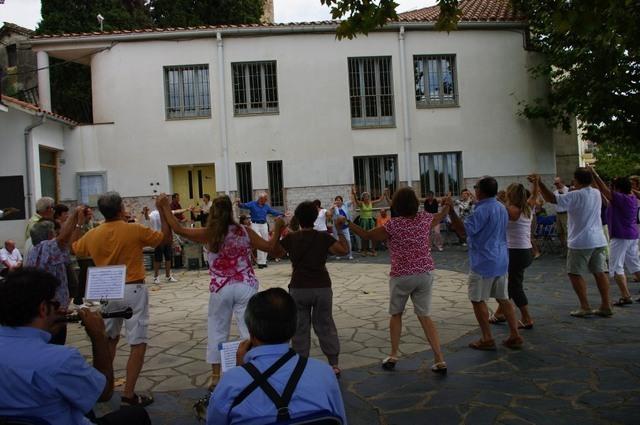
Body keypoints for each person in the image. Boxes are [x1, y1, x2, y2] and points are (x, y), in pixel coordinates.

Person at [157, 194, 284, 399]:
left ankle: (216, 376)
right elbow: (270, 248)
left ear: (213, 212)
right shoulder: (244, 231)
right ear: (231, 212)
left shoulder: (209, 233)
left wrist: (164, 207)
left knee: (217, 329)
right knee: (249, 330)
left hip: (221, 287)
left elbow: (179, 229)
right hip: (246, 284)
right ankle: (254, 370)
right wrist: (277, 229)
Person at [0, 268, 151, 425]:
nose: (63, 309)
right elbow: (104, 393)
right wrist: (99, 338)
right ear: (43, 309)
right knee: (135, 415)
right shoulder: (61, 360)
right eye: (56, 303)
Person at [72, 191, 172, 407]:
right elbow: (163, 239)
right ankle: (128, 393)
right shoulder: (133, 230)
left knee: (108, 340)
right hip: (133, 287)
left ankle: (103, 387)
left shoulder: (93, 234)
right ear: (121, 209)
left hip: (107, 289)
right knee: (137, 342)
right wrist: (164, 211)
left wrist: (79, 222)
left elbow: (76, 248)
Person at [207, 288, 346, 425]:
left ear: (250, 331)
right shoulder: (325, 374)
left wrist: (241, 370)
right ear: (294, 328)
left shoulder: (230, 382)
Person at [349, 187, 449, 372]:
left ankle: (394, 354)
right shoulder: (425, 219)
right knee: (425, 316)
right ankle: (439, 358)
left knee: (396, 315)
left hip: (401, 275)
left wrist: (347, 223)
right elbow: (439, 217)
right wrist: (446, 207)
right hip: (425, 273)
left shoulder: (393, 225)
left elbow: (367, 235)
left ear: (396, 204)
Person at [272, 201, 349, 376]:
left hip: (299, 287)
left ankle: (301, 364)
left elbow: (275, 252)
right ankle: (334, 363)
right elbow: (344, 250)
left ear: (298, 218)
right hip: (322, 286)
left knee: (300, 328)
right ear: (315, 218)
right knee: (325, 324)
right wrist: (340, 229)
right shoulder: (323, 237)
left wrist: (277, 230)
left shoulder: (291, 238)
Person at [447, 177, 523, 350]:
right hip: (501, 259)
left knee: (478, 299)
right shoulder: (501, 207)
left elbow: (463, 232)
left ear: (480, 191)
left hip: (483, 261)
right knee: (503, 298)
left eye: (476, 187)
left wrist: (451, 212)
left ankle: (487, 338)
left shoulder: (481, 211)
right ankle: (515, 334)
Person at [533, 168, 611, 317]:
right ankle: (606, 304)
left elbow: (552, 199)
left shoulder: (575, 195)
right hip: (598, 239)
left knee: (574, 273)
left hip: (581, 241)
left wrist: (540, 183)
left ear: (578, 180)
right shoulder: (595, 192)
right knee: (600, 272)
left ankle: (585, 306)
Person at [25, 209, 86, 345]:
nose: (57, 234)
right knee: (55, 343)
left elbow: (70, 243)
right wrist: (77, 216)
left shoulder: (34, 250)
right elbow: (64, 239)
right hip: (51, 312)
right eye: (55, 232)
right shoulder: (47, 246)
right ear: (49, 234)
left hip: (43, 308)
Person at [489, 183, 536, 329]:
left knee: (515, 286)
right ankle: (499, 313)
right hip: (525, 250)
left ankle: (527, 317)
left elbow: (500, 211)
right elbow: (534, 195)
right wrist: (536, 183)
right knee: (511, 284)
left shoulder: (511, 210)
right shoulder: (528, 206)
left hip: (515, 251)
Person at [589, 169, 640, 305]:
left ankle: (626, 295)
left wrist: (595, 175)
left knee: (616, 266)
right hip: (632, 235)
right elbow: (607, 199)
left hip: (620, 236)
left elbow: (605, 191)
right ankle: (627, 295)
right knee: (635, 265)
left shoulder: (621, 198)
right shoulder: (632, 198)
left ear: (618, 188)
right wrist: (596, 182)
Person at [237, 193, 284, 269]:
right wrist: (239, 202)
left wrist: (283, 213)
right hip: (255, 224)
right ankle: (260, 262)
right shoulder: (252, 204)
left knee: (265, 241)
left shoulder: (266, 206)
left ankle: (263, 261)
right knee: (259, 240)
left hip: (264, 225)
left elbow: (273, 211)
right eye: (265, 199)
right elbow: (242, 205)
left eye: (266, 199)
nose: (266, 200)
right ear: (260, 198)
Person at [350, 186, 386, 256]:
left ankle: (373, 250)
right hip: (363, 221)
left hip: (370, 221)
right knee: (364, 236)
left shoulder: (371, 203)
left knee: (373, 235)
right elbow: (356, 201)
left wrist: (384, 193)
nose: (366, 197)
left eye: (367, 196)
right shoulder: (361, 203)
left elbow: (380, 200)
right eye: (365, 196)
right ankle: (364, 250)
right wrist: (354, 194)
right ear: (363, 197)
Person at [147, 208, 177, 284]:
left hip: (167, 238)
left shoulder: (166, 212)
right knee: (158, 258)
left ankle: (168, 276)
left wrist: (187, 209)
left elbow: (176, 211)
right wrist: (145, 212)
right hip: (158, 238)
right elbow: (147, 217)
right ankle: (156, 277)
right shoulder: (154, 213)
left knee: (168, 257)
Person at [332, 195, 353, 260]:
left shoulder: (345, 205)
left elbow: (352, 201)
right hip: (337, 227)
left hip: (345, 226)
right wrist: (333, 207)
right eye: (336, 200)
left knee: (348, 240)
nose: (338, 201)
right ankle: (338, 254)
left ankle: (350, 254)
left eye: (339, 200)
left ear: (341, 201)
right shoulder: (334, 208)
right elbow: (333, 215)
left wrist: (353, 193)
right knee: (338, 240)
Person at [553, 176, 570, 251]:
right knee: (559, 232)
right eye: (555, 184)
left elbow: (568, 201)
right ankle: (563, 247)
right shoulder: (555, 192)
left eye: (557, 183)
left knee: (566, 231)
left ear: (562, 182)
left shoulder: (568, 190)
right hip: (558, 213)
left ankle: (568, 248)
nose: (556, 185)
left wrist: (562, 194)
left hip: (565, 213)